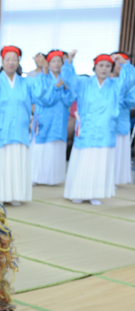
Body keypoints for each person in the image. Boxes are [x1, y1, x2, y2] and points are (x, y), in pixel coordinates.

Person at [61, 51, 135, 204]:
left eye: (108, 66)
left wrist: (125, 63)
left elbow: (129, 80)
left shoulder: (115, 85)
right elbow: (69, 80)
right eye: (101, 65)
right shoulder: (84, 83)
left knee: (100, 163)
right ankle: (78, 192)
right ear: (94, 67)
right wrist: (69, 63)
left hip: (105, 130)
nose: (104, 69)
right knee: (83, 162)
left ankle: (95, 193)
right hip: (87, 130)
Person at [0, 45, 49, 205]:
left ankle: (15, 195)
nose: (11, 62)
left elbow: (41, 93)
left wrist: (45, 68)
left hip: (20, 128)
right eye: (7, 59)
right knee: (2, 162)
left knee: (17, 161)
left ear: (19, 62)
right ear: (2, 61)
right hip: (1, 129)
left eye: (14, 59)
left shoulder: (27, 83)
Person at [31, 49, 75, 185]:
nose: (56, 64)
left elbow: (69, 100)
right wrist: (57, 86)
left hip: (59, 118)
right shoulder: (41, 77)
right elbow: (44, 99)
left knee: (56, 147)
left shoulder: (65, 78)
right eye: (53, 61)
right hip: (44, 118)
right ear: (48, 63)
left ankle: (54, 179)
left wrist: (66, 87)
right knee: (42, 147)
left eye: (59, 61)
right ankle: (36, 177)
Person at [110, 51, 135, 185]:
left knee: (118, 151)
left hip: (122, 120)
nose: (119, 65)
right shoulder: (103, 81)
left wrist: (119, 100)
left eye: (122, 62)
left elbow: (133, 99)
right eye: (116, 61)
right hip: (104, 122)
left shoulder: (129, 82)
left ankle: (114, 179)